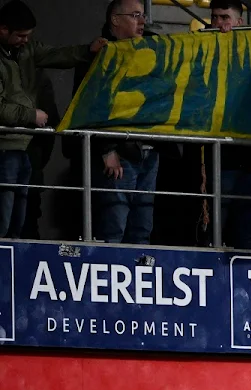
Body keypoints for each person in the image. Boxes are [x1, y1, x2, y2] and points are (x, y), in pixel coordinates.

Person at [0, 0, 104, 238]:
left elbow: (56, 54)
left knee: (19, 222)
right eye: (21, 35)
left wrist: (88, 51)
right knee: (4, 221)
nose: (25, 40)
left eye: (28, 36)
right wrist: (31, 115)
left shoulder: (26, 50)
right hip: (5, 149)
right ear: (3, 29)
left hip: (24, 146)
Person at [93, 0, 158, 245]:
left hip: (150, 151)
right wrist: (107, 149)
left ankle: (139, 280)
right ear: (115, 19)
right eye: (135, 15)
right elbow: (93, 105)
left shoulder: (154, 47)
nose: (142, 22)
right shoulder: (99, 52)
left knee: (142, 228)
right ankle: (109, 281)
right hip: (120, 152)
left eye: (143, 16)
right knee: (114, 226)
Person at [204, 0, 251, 250]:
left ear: (239, 22)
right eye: (215, 17)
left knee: (247, 231)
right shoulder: (201, 46)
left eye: (225, 18)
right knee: (214, 228)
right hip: (221, 155)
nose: (219, 24)